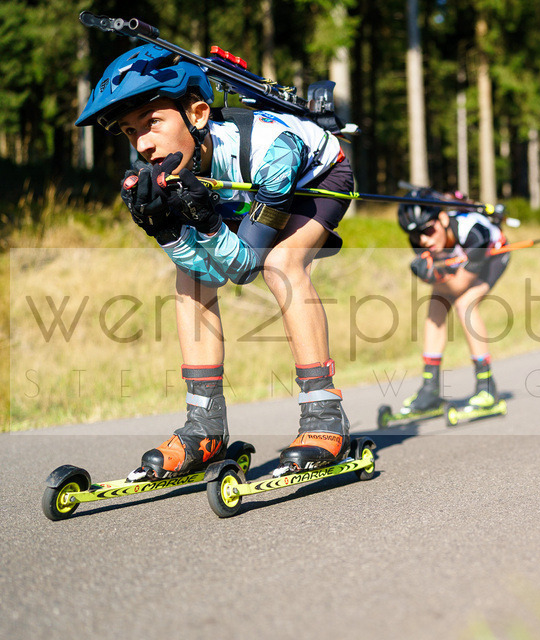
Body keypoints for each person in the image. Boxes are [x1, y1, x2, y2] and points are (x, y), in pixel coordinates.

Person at [75, 44, 354, 480]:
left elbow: (243, 269)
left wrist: (206, 225)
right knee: (190, 278)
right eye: (130, 132)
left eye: (152, 123)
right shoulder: (160, 166)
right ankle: (205, 427)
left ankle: (323, 413)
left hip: (314, 177)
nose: (143, 145)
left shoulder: (271, 151)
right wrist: (166, 233)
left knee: (282, 263)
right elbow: (208, 271)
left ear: (199, 114)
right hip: (236, 186)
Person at [397, 190, 510, 415]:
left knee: (465, 304)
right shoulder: (425, 241)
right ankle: (430, 389)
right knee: (437, 305)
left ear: (443, 219)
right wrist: (433, 275)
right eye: (416, 235)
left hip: (492, 256)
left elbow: (458, 285)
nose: (423, 240)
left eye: (428, 230)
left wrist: (431, 276)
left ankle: (487, 386)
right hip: (459, 257)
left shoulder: (473, 233)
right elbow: (445, 278)